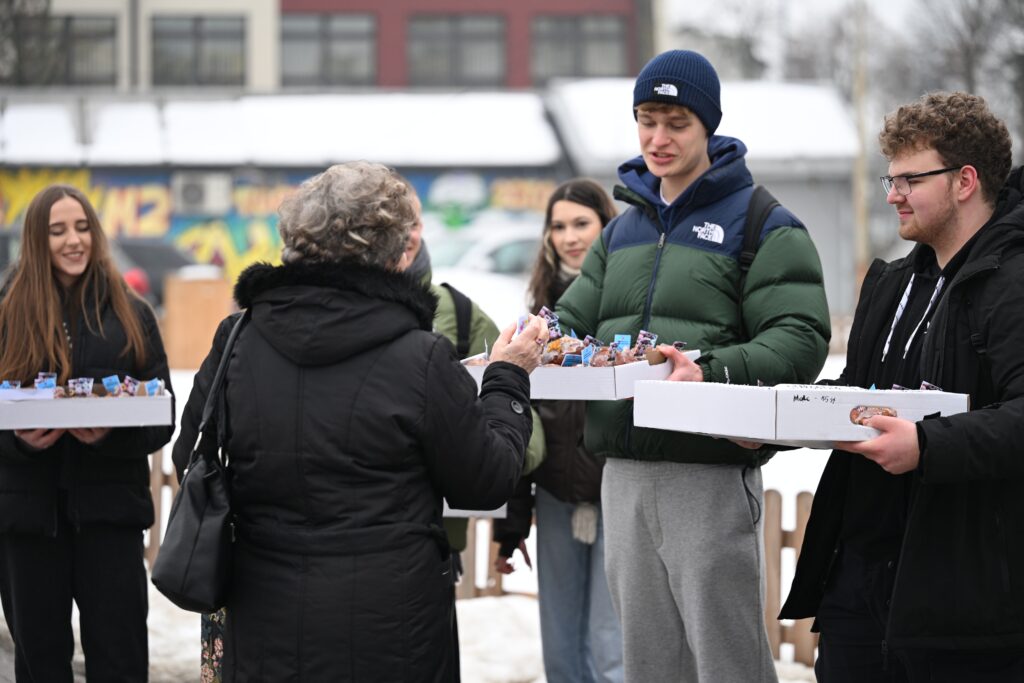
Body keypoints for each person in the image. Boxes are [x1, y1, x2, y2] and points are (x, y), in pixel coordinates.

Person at [172, 161, 545, 682]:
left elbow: (189, 456)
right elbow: (484, 481)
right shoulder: (421, 356)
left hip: (264, 617)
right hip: (393, 627)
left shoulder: (238, 338)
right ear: (395, 253)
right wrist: (507, 377)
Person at [554, 50, 831, 681]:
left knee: (726, 660)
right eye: (647, 121)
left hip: (708, 471)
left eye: (677, 123)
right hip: (623, 473)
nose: (658, 138)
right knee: (648, 664)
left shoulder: (764, 224)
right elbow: (570, 322)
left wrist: (712, 372)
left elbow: (800, 337)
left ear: (708, 125)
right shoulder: (619, 232)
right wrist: (538, 343)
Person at [781, 92, 1024, 681]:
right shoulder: (893, 281)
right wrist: (768, 419)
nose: (893, 195)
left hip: (964, 607)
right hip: (859, 588)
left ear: (965, 181)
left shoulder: (1013, 283)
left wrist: (926, 445)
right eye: (891, 179)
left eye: (910, 180)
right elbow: (858, 393)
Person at [0, 184, 174, 681]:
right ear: (36, 240)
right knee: (40, 665)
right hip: (28, 522)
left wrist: (108, 437)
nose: (73, 240)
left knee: (121, 661)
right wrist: (16, 443)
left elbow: (162, 416)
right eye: (57, 231)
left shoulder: (132, 313)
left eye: (81, 228)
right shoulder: (6, 312)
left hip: (110, 518)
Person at [492, 178, 624, 683]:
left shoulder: (628, 299)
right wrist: (512, 522)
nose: (569, 237)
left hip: (616, 484)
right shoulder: (536, 312)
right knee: (561, 645)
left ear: (607, 227)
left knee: (611, 645)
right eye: (558, 226)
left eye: (581, 224)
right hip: (554, 490)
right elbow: (519, 416)